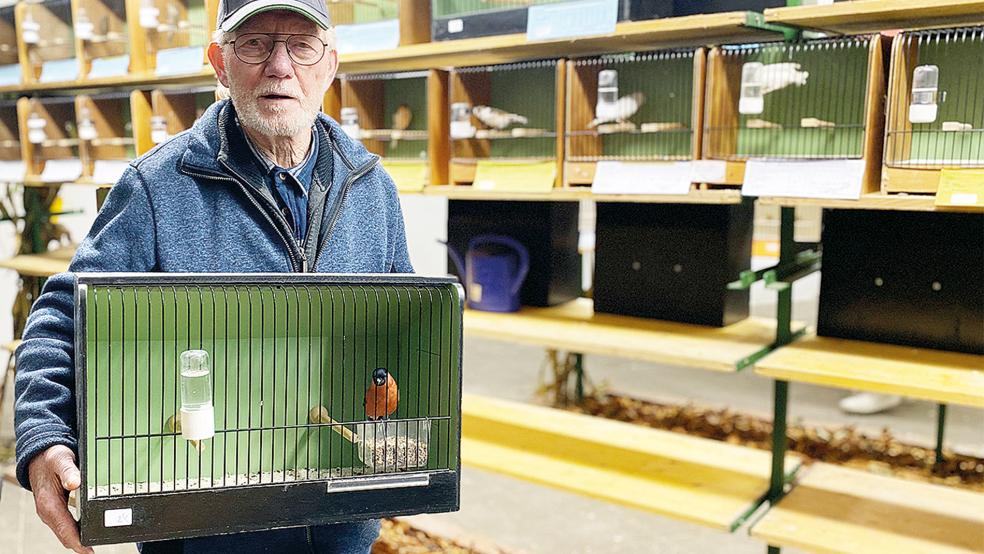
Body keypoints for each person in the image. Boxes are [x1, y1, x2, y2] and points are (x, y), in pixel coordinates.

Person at [13, 0, 412, 551]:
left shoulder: (371, 188)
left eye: (301, 44)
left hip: (339, 524)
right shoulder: (158, 187)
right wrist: (45, 438)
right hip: (201, 525)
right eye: (254, 44)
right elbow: (63, 315)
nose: (279, 65)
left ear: (330, 66)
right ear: (219, 63)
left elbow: (401, 328)